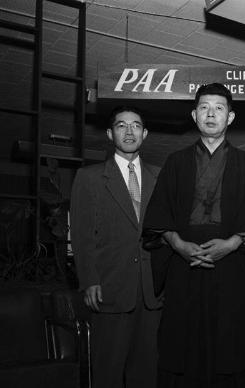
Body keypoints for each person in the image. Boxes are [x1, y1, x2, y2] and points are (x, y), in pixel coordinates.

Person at [142, 83, 245, 388]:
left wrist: (232, 243)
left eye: (219, 108)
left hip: (231, 269)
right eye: (204, 107)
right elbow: (157, 219)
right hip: (183, 268)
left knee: (230, 345)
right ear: (194, 115)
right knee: (181, 346)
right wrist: (177, 244)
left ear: (231, 117)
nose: (211, 114)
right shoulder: (175, 162)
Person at [70, 106, 162, 388]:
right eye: (122, 126)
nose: (129, 131)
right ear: (111, 134)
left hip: (152, 293)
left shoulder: (161, 176)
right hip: (109, 290)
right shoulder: (89, 177)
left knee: (148, 373)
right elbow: (82, 235)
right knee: (107, 372)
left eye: (136, 125)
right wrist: (89, 281)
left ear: (144, 134)